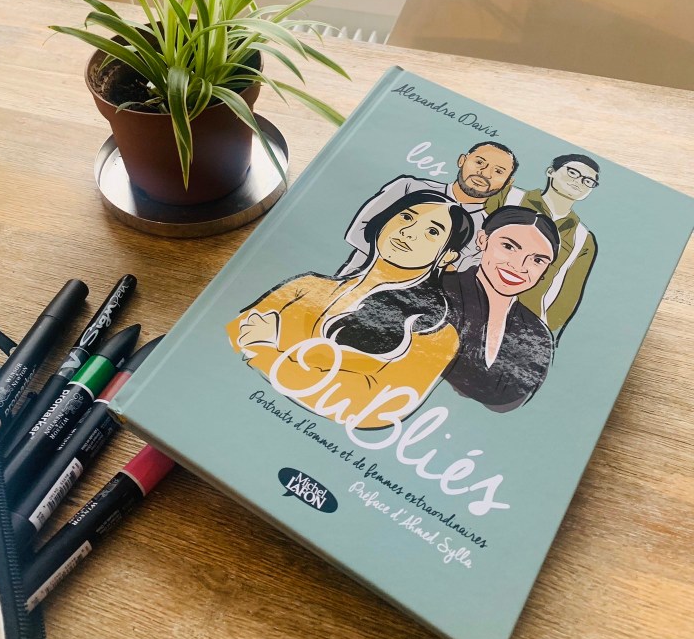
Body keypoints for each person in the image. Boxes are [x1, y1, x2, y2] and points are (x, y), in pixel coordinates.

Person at [227, 190, 475, 429]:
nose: (408, 232)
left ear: (447, 256)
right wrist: (324, 376)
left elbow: (372, 408)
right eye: (407, 217)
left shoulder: (437, 334)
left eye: (432, 231)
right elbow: (233, 336)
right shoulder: (305, 286)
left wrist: (266, 349)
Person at [442, 207, 559, 413]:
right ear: (482, 240)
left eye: (537, 260)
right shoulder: (441, 291)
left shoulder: (538, 336)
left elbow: (513, 403)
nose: (519, 266)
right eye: (508, 246)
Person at [338, 141, 518, 276]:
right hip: (356, 277)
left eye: (498, 171)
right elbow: (358, 231)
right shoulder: (409, 187)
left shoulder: (488, 232)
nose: (485, 173)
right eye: (479, 162)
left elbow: (457, 276)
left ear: (508, 182)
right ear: (462, 160)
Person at [484, 153, 599, 335]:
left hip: (522, 325)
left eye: (588, 181)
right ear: (551, 171)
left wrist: (542, 328)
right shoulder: (508, 196)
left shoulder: (583, 238)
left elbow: (569, 294)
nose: (579, 182)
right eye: (573, 173)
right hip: (472, 297)